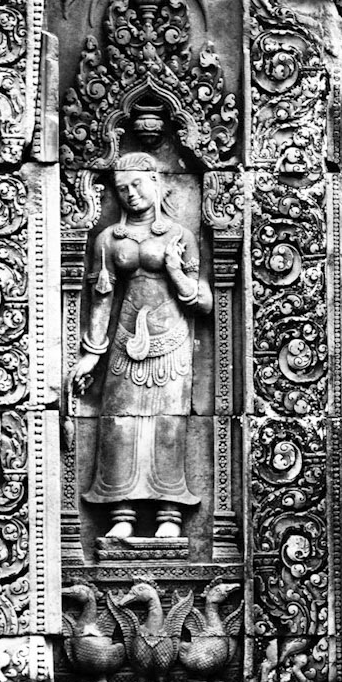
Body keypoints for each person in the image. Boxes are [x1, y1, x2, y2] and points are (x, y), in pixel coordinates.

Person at [71, 147, 211, 540]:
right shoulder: (108, 239)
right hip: (124, 343)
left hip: (172, 343)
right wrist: (91, 354)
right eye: (121, 189)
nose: (130, 194)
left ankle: (169, 514)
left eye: (137, 184)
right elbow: (101, 300)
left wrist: (173, 269)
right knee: (117, 425)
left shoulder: (180, 236)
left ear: (156, 182)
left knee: (169, 425)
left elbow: (204, 301)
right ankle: (122, 513)